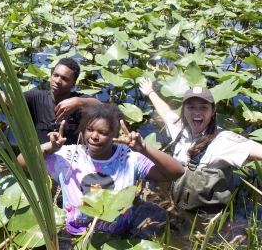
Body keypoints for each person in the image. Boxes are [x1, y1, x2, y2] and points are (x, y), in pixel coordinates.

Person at [17, 104, 184, 235]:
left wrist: (144, 148)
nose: (94, 136)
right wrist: (50, 147)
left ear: (114, 134)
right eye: (89, 130)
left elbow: (176, 172)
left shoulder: (128, 158)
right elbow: (22, 163)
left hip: (117, 236)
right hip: (73, 234)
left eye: (102, 132)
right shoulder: (68, 156)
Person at [139, 78, 262, 212]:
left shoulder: (224, 140)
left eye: (203, 107)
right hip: (177, 208)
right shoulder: (180, 129)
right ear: (184, 111)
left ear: (213, 111)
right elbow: (165, 112)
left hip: (205, 219)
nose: (196, 112)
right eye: (191, 107)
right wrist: (150, 91)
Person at [0, 58, 101, 145]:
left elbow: (105, 109)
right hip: (44, 159)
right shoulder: (36, 97)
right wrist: (4, 99)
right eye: (55, 75)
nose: (58, 81)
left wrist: (79, 102)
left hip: (71, 161)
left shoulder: (80, 101)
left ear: (73, 84)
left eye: (65, 79)